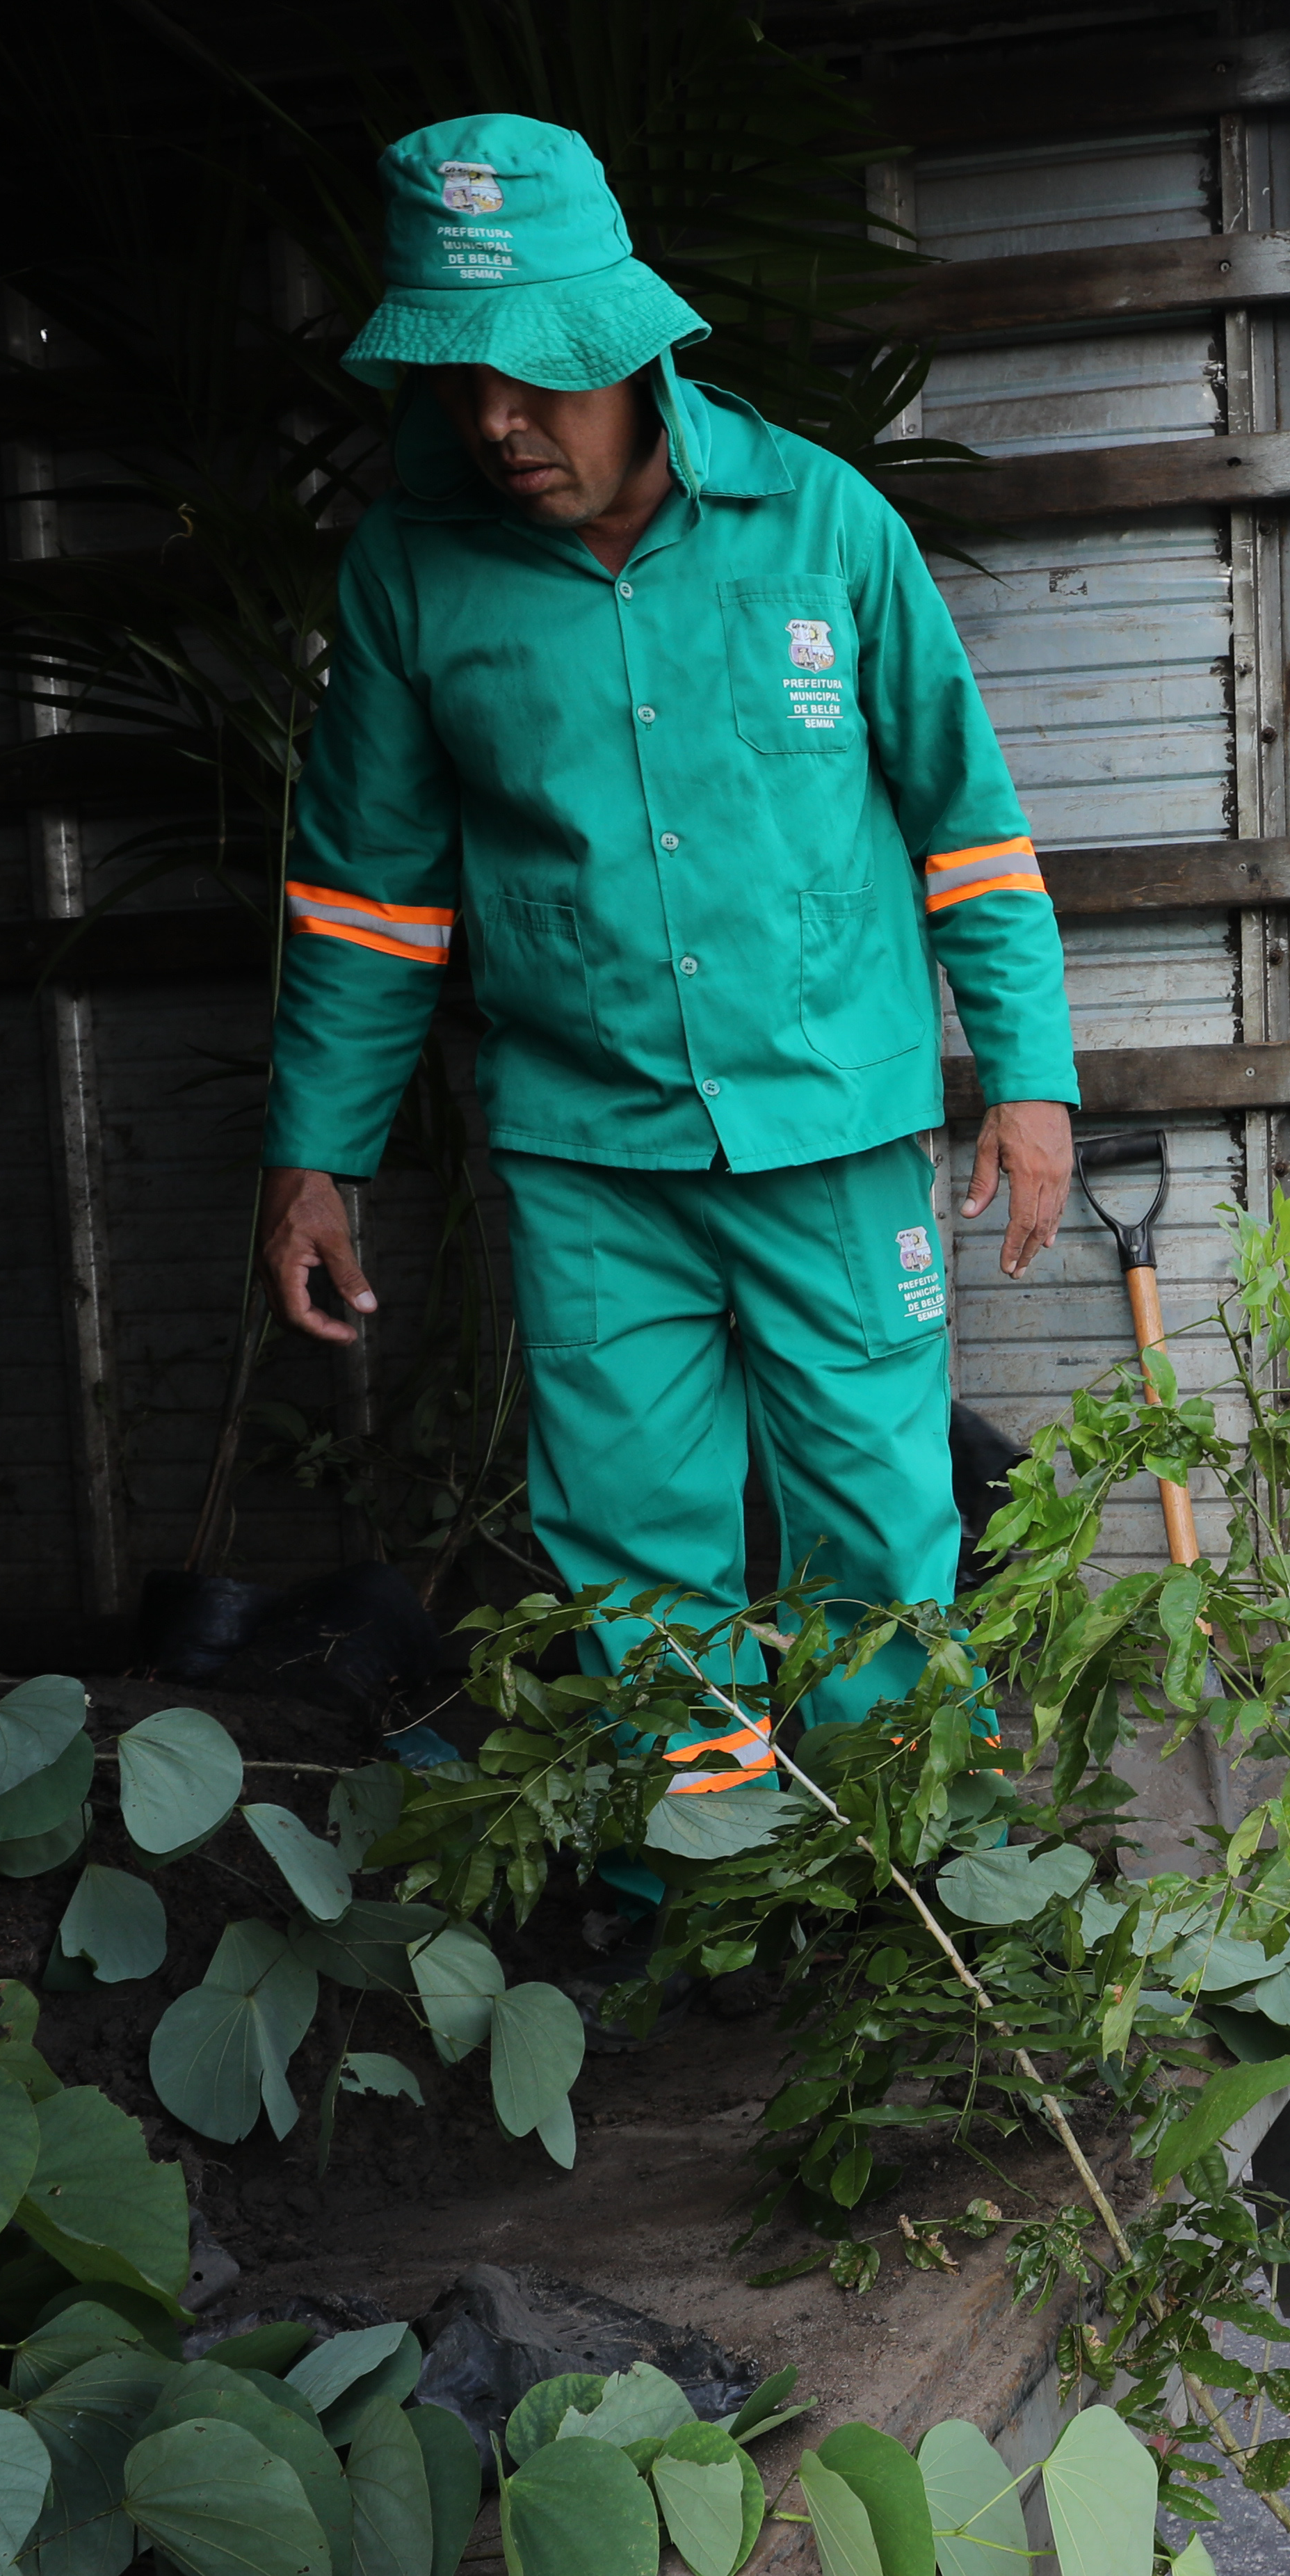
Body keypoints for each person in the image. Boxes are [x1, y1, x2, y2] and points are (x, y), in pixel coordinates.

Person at [252, 114, 1074, 1791]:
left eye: (535, 371)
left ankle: (882, 1881)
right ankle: (702, 1881)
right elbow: (368, 900)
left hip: (835, 1132)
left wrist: (1030, 1080)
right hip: (585, 1149)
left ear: (631, 343)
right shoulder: (413, 578)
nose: (496, 418)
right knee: (637, 1564)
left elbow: (968, 832)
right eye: (461, 374)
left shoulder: (824, 528)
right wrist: (313, 1154)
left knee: (877, 1526)